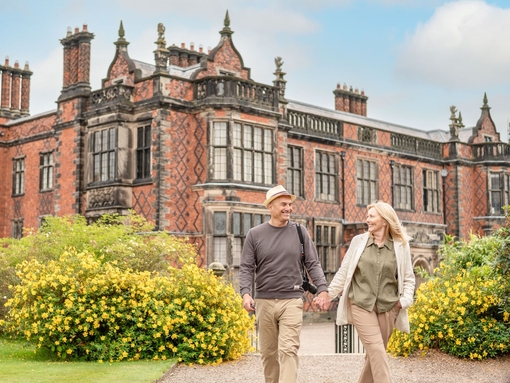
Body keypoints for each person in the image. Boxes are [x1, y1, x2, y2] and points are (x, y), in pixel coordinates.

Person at [239, 185, 331, 383]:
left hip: (292, 299)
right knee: (269, 354)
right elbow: (246, 267)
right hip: (264, 301)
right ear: (270, 207)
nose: (288, 208)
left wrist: (323, 289)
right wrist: (246, 293)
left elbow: (312, 263)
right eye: (283, 204)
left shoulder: (300, 232)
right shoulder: (255, 234)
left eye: (290, 204)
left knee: (288, 350)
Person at [327, 201, 415, 383]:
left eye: (372, 216)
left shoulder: (400, 245)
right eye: (368, 216)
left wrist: (403, 301)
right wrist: (328, 294)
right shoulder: (358, 242)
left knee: (375, 355)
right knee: (376, 349)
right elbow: (344, 271)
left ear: (384, 220)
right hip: (361, 304)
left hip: (389, 306)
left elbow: (408, 277)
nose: (367, 219)